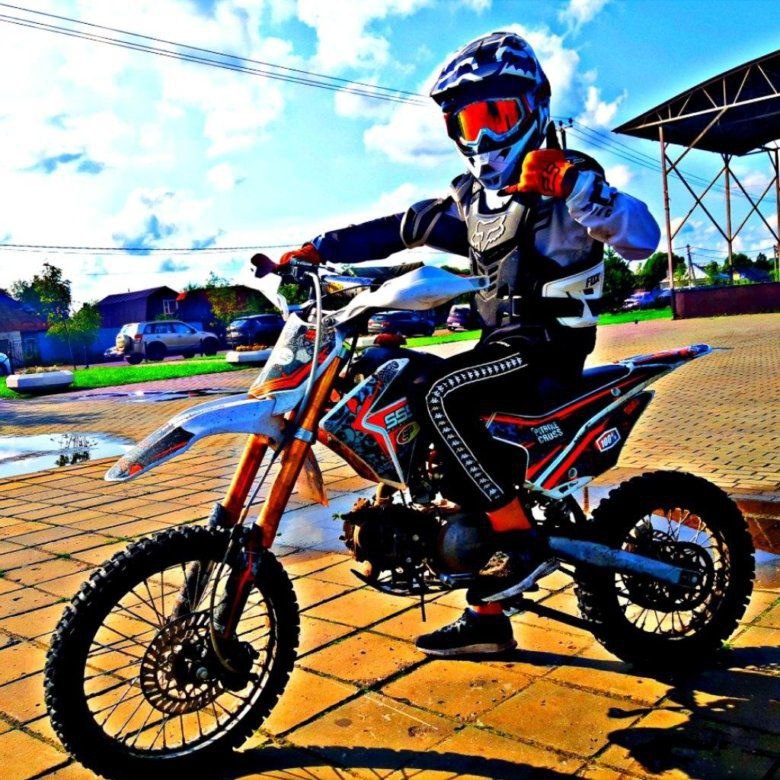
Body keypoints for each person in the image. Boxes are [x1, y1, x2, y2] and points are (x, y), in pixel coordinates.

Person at [274, 31, 661, 656]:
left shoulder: (568, 182)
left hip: (547, 350)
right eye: (467, 121)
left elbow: (641, 238)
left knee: (442, 397)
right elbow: (399, 226)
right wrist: (319, 248)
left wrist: (576, 187)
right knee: (397, 376)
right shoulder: (473, 202)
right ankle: (486, 614)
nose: (482, 136)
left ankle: (519, 541)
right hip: (499, 349)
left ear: (533, 110)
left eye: (496, 115)